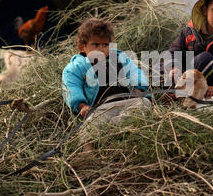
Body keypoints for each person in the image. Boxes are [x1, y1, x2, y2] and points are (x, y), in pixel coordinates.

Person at [62, 18, 150, 151]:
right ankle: (87, 155)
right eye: (95, 45)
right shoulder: (77, 67)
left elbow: (135, 72)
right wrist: (81, 106)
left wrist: (138, 89)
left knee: (145, 104)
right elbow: (71, 86)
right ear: (82, 47)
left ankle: (113, 129)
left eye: (105, 45)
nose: (101, 49)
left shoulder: (120, 59)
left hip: (127, 102)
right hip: (101, 108)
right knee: (89, 128)